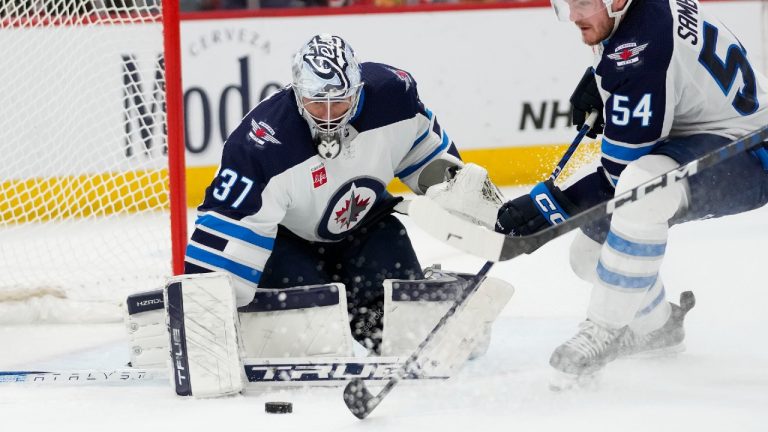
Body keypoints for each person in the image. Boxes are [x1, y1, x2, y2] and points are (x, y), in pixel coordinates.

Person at [489, 0, 768, 385]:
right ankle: (659, 328)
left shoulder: (638, 50)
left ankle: (604, 329)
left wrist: (550, 203)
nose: (572, 16)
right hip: (711, 132)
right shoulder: (640, 18)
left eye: (583, 3)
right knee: (589, 255)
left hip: (751, 153)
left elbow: (621, 183)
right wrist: (606, 85)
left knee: (642, 189)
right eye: (565, 3)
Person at [181, 33, 475, 354]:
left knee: (403, 327)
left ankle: (388, 321)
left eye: (340, 100)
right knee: (314, 336)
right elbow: (227, 239)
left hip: (366, 229)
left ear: (358, 88)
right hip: (287, 242)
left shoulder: (394, 97)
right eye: (317, 101)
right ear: (297, 93)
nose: (329, 113)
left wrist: (470, 206)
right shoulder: (261, 146)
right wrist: (202, 325)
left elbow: (431, 159)